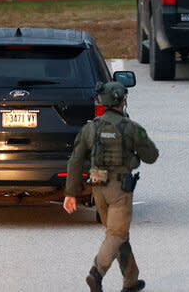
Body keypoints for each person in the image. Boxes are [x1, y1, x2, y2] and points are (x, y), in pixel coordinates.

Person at [64, 82, 159, 292]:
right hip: (120, 190)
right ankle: (96, 273)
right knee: (116, 234)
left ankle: (131, 281)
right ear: (122, 101)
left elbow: (75, 160)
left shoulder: (91, 128)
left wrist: (70, 194)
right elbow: (152, 156)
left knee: (118, 234)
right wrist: (134, 156)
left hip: (98, 189)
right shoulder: (131, 128)